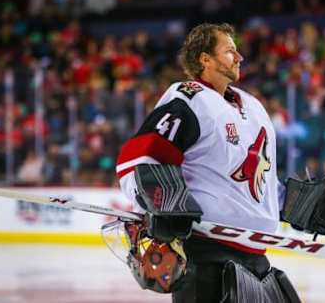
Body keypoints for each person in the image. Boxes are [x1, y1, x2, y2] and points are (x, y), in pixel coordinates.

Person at [115, 23, 301, 302]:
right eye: (229, 51)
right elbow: (137, 160)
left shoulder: (254, 107)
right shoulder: (190, 99)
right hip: (206, 259)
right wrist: (160, 203)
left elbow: (260, 184)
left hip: (257, 259)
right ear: (205, 59)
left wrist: (297, 204)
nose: (239, 57)